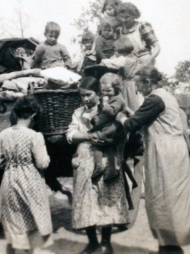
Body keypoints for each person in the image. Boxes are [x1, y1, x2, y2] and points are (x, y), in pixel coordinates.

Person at [116, 65, 190, 254]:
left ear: (148, 82)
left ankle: (170, 246)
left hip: (164, 151)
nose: (137, 89)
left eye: (138, 84)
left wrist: (120, 117)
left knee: (164, 197)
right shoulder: (165, 95)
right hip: (172, 149)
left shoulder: (154, 99)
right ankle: (170, 243)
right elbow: (142, 116)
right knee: (171, 197)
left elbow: (133, 124)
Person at [66, 77, 129, 254]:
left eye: (88, 95)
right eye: (82, 96)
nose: (85, 99)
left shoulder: (109, 110)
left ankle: (106, 242)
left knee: (106, 197)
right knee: (86, 199)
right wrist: (87, 136)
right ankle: (92, 241)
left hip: (107, 158)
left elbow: (121, 131)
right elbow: (70, 134)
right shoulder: (78, 113)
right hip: (85, 157)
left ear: (98, 93)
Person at [0, 96, 52, 254]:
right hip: (30, 181)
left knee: (15, 219)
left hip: (9, 180)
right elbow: (42, 163)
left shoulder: (3, 134)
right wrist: (47, 158)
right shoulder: (35, 136)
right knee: (34, 217)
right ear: (34, 116)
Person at [90, 73, 127, 181]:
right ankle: (113, 168)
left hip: (113, 128)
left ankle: (99, 165)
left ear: (117, 88)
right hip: (108, 127)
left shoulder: (118, 99)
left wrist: (104, 104)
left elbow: (112, 111)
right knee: (109, 147)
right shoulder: (110, 97)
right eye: (103, 91)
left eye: (108, 91)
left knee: (96, 142)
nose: (106, 93)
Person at [101, 37, 141, 111]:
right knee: (133, 101)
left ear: (121, 50)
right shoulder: (134, 58)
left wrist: (103, 61)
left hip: (126, 84)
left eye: (115, 51)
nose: (114, 53)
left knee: (126, 102)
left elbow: (113, 62)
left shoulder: (123, 59)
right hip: (132, 83)